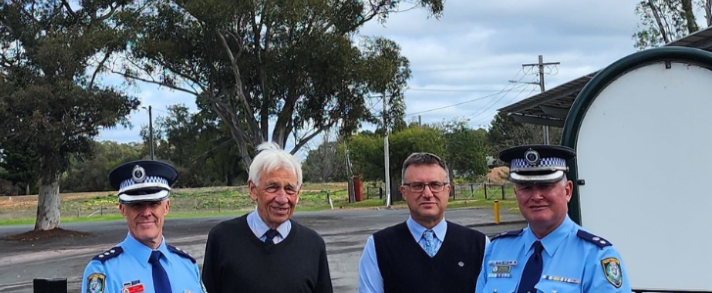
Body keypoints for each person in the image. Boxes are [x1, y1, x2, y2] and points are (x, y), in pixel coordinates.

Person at [476, 145, 632, 293]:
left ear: (568, 191)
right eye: (526, 188)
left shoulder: (596, 256)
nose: (536, 196)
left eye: (546, 186)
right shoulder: (497, 250)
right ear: (517, 194)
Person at [201, 142, 333, 293]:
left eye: (290, 189)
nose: (282, 199)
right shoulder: (222, 238)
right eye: (272, 187)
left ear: (299, 192)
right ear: (253, 190)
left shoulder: (313, 245)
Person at [357, 152, 487, 293]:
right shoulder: (378, 247)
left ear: (448, 190)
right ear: (404, 192)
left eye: (435, 185)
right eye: (417, 186)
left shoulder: (479, 245)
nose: (427, 193)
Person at [81, 160, 204, 293]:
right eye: (136, 205)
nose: (146, 213)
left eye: (153, 204)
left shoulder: (187, 265)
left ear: (166, 207)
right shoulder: (103, 271)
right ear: (122, 209)